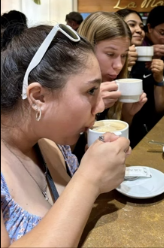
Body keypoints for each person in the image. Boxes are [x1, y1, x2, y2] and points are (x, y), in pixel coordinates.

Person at [1, 23, 131, 246]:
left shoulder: (52, 143)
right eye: (91, 91)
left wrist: (102, 173)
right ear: (38, 97)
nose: (99, 106)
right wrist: (89, 179)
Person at [72, 12, 147, 159]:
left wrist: (128, 114)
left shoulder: (113, 84)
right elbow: (58, 156)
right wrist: (90, 108)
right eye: (110, 54)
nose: (119, 65)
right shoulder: (63, 89)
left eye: (124, 55)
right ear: (87, 50)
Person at [116, 9, 164, 148]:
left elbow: (162, 109)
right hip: (123, 137)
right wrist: (123, 66)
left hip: (150, 134)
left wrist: (159, 78)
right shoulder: (111, 66)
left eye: (141, 26)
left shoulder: (146, 61)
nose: (139, 30)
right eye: (132, 24)